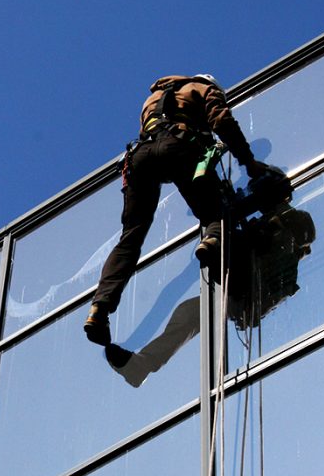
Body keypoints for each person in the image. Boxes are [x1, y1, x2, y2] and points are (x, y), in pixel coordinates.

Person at [84, 74, 270, 346]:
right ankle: (211, 241)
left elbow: (155, 136)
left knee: (131, 237)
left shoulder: (154, 97)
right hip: (178, 145)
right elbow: (222, 121)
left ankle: (99, 308)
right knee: (215, 211)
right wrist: (249, 162)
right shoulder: (203, 88)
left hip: (139, 158)